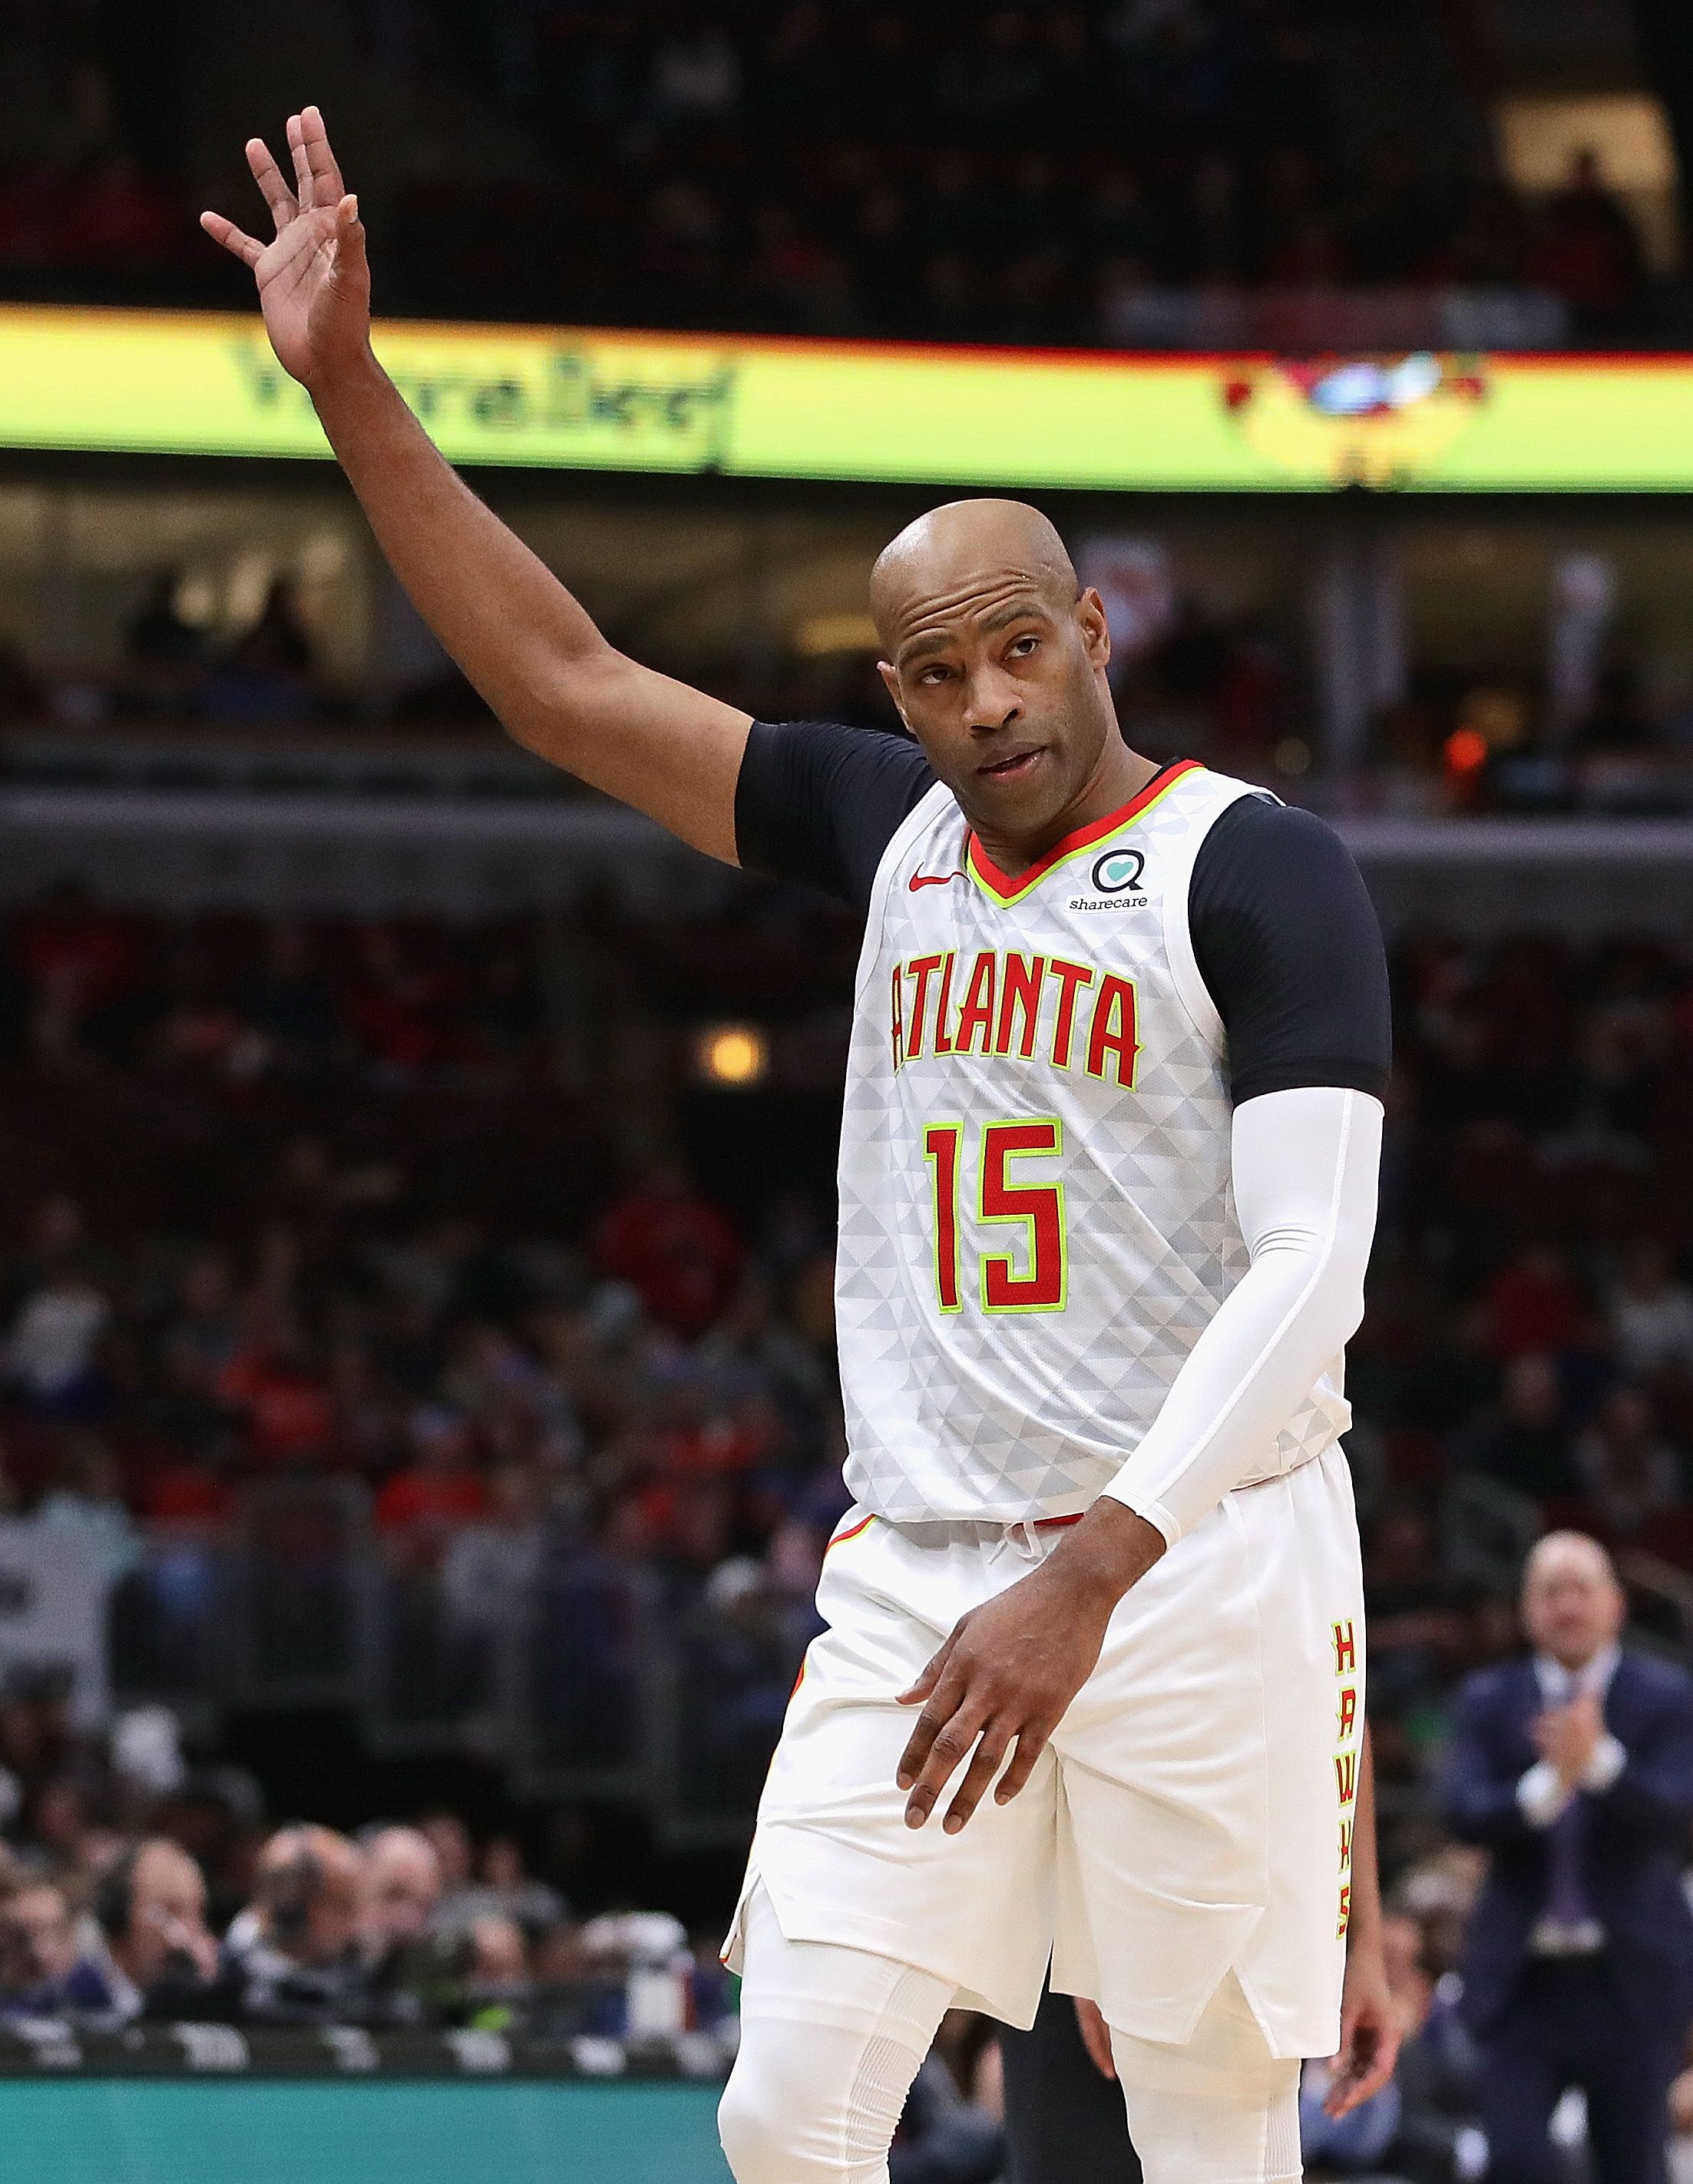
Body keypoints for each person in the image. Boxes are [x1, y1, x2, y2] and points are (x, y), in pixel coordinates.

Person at [204, 110, 1398, 2184]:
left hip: (1192, 1562)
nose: (987, 703)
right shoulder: (883, 831)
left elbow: (1315, 1269)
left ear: (1091, 626)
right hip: (928, 1559)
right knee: (785, 2108)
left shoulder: (1259, 870)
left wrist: (1097, 1569)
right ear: (895, 695)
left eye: (1018, 646)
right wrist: (349, 388)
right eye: (938, 674)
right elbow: (565, 682)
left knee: (1208, 2134)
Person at [1443, 1531, 1693, 2183]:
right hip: (1522, 1980)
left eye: (1581, 1589)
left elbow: (1677, 1811)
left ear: (1614, 1604)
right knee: (1516, 2159)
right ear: (1526, 1609)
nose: (1567, 1606)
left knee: (1634, 2166)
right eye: (1551, 1592)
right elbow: (1460, 1811)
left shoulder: (1666, 1695)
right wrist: (1544, 1789)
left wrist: (1601, 1765)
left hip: (1631, 1978)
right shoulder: (1489, 1698)